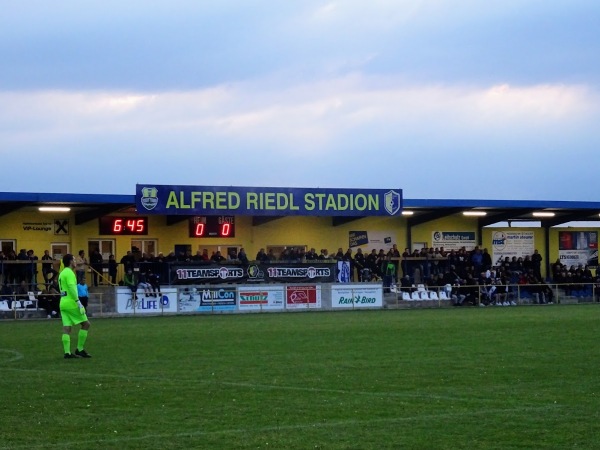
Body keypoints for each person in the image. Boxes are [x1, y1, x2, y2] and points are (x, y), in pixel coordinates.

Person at [58, 254, 91, 359]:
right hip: (71, 303)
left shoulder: (62, 273)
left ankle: (67, 353)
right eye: (74, 259)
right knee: (86, 324)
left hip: (63, 302)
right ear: (70, 261)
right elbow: (72, 289)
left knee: (66, 328)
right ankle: (79, 349)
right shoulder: (70, 273)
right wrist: (78, 302)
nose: (75, 261)